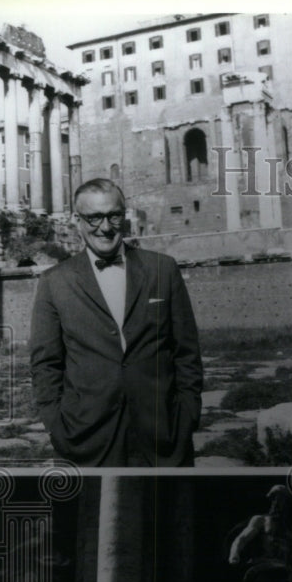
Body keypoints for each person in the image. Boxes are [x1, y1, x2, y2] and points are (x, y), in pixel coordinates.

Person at [30, 179, 203, 466]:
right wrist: (57, 426)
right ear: (77, 220)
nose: (106, 227)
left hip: (164, 436)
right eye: (94, 217)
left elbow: (187, 351)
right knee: (97, 513)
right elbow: (45, 365)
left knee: (165, 511)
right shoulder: (54, 283)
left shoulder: (163, 269)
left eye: (113, 215)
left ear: (124, 214)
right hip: (87, 439)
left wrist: (187, 415)